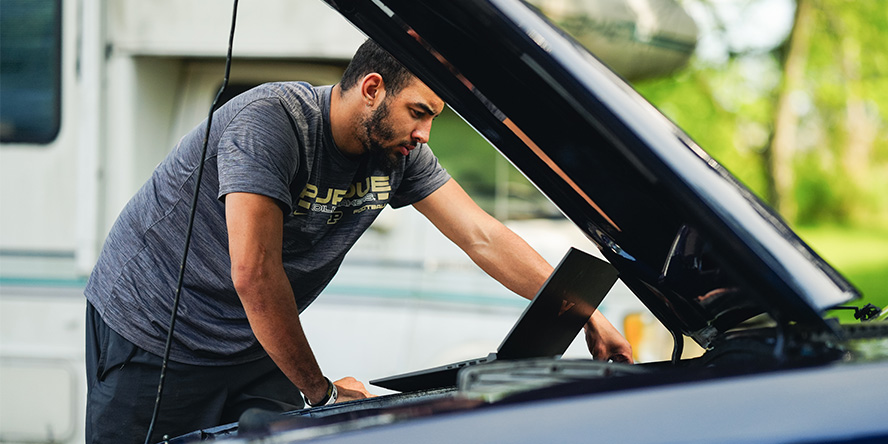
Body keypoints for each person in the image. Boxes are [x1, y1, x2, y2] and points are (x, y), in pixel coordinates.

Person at [84, 39, 632, 443]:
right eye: (419, 112)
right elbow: (254, 271)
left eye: (432, 119)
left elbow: (482, 236)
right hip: (154, 335)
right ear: (373, 89)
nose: (424, 134)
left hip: (253, 343)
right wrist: (321, 392)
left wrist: (588, 314)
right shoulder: (272, 123)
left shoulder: (398, 152)